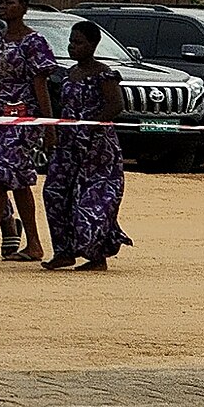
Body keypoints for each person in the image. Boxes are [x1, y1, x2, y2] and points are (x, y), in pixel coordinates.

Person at [0, 0, 54, 264]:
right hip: (0, 115)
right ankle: (33, 244)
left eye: (9, 3)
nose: (3, 7)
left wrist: (48, 126)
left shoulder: (34, 42)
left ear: (24, 6)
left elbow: (40, 85)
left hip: (25, 116)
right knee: (17, 180)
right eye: (0, 2)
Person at [43, 18, 131, 271]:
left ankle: (96, 255)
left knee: (91, 200)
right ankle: (64, 251)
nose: (73, 47)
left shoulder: (105, 75)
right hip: (68, 145)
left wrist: (90, 125)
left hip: (97, 149)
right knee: (55, 192)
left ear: (93, 45)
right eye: (71, 42)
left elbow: (116, 106)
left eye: (79, 42)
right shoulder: (69, 74)